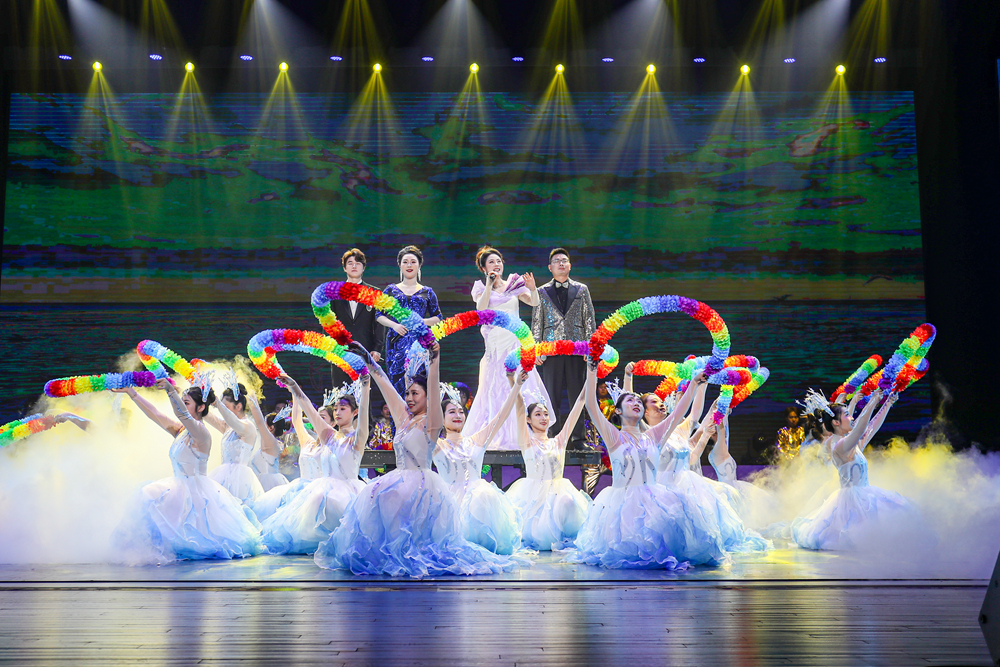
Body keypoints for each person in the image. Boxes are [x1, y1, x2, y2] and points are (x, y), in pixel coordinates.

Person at [314, 341, 518, 577]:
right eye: (408, 393)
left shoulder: (432, 422)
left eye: (415, 393)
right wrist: (368, 361)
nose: (409, 397)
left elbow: (433, 387)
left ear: (428, 398)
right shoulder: (403, 418)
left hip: (422, 487)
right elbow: (385, 384)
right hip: (397, 481)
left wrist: (434, 359)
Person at [568, 363, 727, 569]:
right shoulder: (614, 436)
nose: (636, 403)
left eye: (638, 401)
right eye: (629, 400)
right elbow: (591, 405)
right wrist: (591, 369)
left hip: (654, 499)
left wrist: (695, 383)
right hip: (622, 503)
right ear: (618, 410)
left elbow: (678, 413)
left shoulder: (653, 436)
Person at [111, 380, 262, 564]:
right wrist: (132, 393)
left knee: (149, 496)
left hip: (194, 492)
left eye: (187, 402)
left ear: (200, 408)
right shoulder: (181, 430)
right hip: (179, 489)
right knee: (146, 499)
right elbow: (155, 415)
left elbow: (182, 413)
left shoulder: (201, 433)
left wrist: (170, 391)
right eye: (183, 401)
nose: (183, 405)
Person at [791, 390, 921, 550]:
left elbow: (871, 427)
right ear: (836, 423)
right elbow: (860, 428)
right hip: (853, 502)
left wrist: (887, 403)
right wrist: (873, 401)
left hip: (865, 495)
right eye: (847, 415)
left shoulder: (851, 444)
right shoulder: (839, 446)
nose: (852, 417)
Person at [259, 374, 370, 554]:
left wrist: (365, 386)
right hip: (321, 492)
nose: (338, 412)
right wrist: (295, 388)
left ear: (354, 412)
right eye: (336, 409)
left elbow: (364, 413)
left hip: (347, 494)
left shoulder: (357, 438)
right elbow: (309, 410)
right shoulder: (329, 436)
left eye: (343, 409)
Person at [433, 371, 528, 555]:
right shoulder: (437, 445)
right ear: (441, 418)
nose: (458, 415)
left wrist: (517, 385)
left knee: (483, 496)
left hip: (481, 498)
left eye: (461, 411)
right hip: (451, 502)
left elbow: (501, 416)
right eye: (452, 412)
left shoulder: (476, 440)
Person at [466, 246, 548, 450]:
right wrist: (489, 284)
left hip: (514, 343)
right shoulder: (480, 287)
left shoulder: (514, 283)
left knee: (520, 387)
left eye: (498, 261)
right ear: (484, 268)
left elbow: (534, 303)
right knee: (495, 388)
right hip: (495, 344)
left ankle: (522, 434)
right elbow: (481, 309)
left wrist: (533, 288)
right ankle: (495, 434)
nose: (496, 265)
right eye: (491, 262)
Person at [506, 377, 592, 551]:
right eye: (538, 414)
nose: (544, 418)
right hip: (533, 494)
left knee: (567, 502)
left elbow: (579, 404)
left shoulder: (559, 441)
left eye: (546, 414)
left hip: (559, 491)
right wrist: (514, 381)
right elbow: (519, 407)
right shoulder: (527, 442)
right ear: (528, 420)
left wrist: (591, 375)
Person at [531, 248, 596, 443]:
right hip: (551, 350)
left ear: (569, 265)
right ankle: (551, 436)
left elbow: (589, 319)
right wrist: (536, 350)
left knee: (578, 395)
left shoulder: (581, 289)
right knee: (551, 396)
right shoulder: (541, 292)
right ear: (549, 267)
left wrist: (590, 347)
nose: (561, 263)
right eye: (556, 261)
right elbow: (537, 322)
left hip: (576, 349)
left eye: (564, 260)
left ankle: (578, 438)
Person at [377, 245, 443, 396]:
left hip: (420, 344)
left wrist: (420, 322)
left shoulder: (427, 292)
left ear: (419, 265)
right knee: (396, 385)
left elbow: (438, 318)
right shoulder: (391, 290)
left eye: (413, 262)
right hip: (396, 342)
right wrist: (394, 325)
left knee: (419, 385)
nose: (409, 265)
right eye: (405, 262)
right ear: (399, 265)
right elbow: (378, 315)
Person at [330, 248, 385, 387]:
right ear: (344, 268)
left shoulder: (374, 293)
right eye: (350, 263)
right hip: (340, 353)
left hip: (366, 353)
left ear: (363, 267)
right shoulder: (334, 293)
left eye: (358, 263)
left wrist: (377, 349)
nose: (354, 266)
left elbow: (379, 324)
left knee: (365, 393)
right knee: (340, 394)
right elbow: (328, 322)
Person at [206, 383, 264, 507]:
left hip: (239, 480)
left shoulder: (248, 426)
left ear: (238, 406)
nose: (223, 410)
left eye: (226, 406)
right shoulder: (228, 426)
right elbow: (206, 415)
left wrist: (217, 403)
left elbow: (233, 422)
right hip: (223, 475)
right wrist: (201, 400)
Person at [246, 394, 290, 492]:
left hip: (267, 483)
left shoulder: (271, 442)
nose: (262, 428)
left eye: (265, 425)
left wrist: (253, 403)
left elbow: (259, 422)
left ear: (271, 428)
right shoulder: (273, 443)